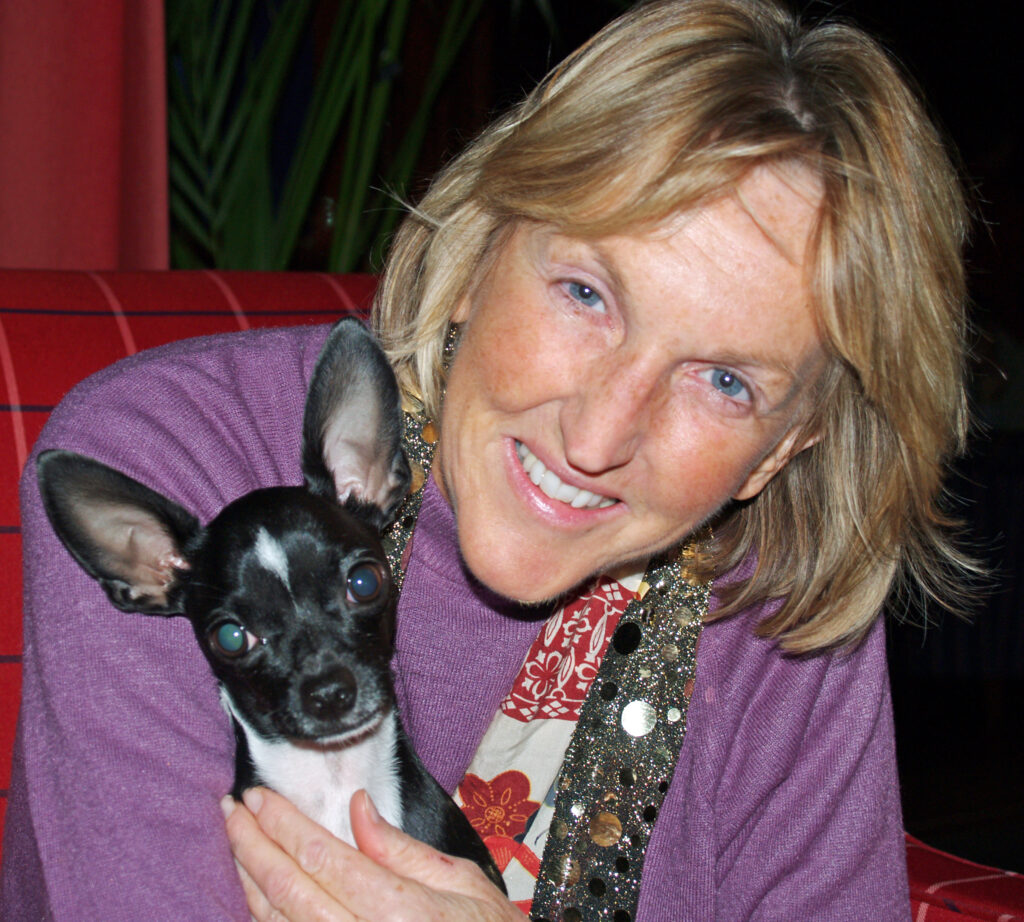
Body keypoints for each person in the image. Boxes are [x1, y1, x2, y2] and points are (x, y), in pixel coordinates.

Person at [2, 0, 973, 919]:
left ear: (779, 452)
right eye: (585, 292)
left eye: (725, 381)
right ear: (474, 250)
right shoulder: (169, 460)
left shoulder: (781, 604)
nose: (597, 438)